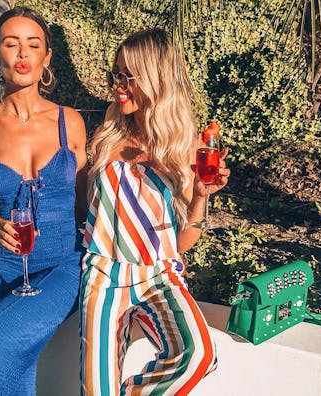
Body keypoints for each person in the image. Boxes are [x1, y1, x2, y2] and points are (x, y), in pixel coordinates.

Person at [80, 28, 230, 395]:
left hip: (158, 274)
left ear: (155, 79)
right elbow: (85, 209)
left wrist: (200, 197)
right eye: (115, 74)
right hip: (103, 275)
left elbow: (183, 240)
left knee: (199, 356)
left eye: (128, 76)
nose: (118, 84)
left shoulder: (185, 146)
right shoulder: (107, 134)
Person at [0, 6, 87, 395]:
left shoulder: (71, 122)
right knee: (9, 366)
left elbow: (86, 205)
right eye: (11, 44)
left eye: (33, 45)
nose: (22, 54)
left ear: (47, 56)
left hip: (64, 266)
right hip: (6, 267)